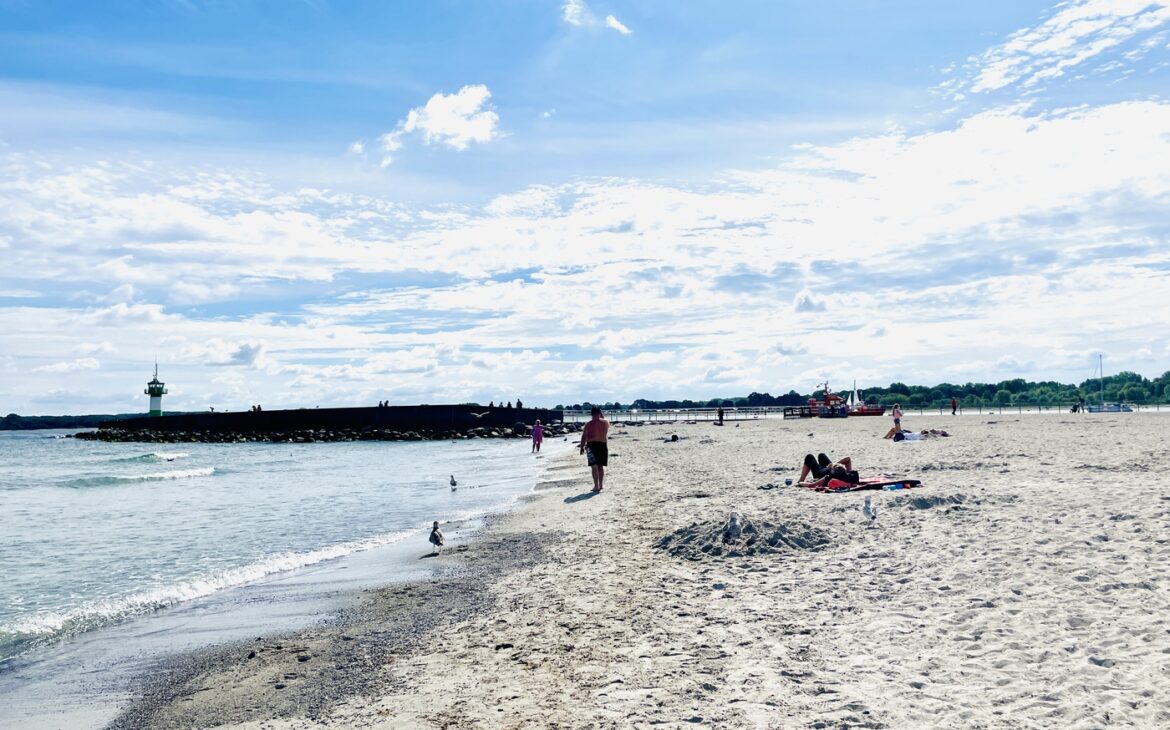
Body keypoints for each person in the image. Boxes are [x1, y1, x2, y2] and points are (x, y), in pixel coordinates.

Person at [579, 406, 609, 492]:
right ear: (600, 413)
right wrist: (601, 416)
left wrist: (581, 447)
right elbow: (603, 421)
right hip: (603, 445)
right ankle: (601, 485)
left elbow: (584, 437)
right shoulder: (606, 422)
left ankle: (596, 486)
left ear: (591, 414)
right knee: (600, 466)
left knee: (594, 466)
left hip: (591, 445)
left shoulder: (588, 424)